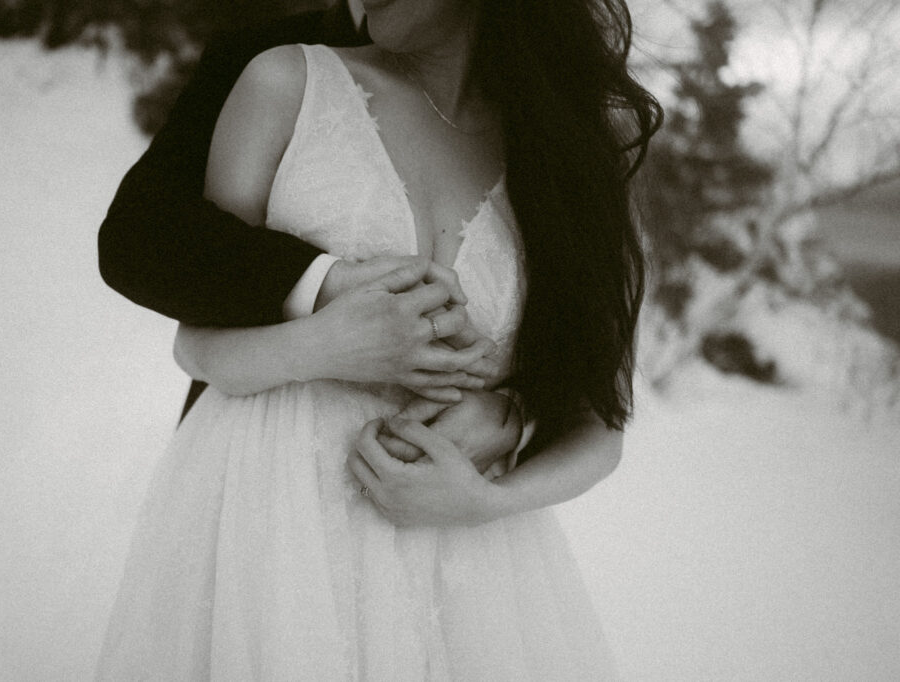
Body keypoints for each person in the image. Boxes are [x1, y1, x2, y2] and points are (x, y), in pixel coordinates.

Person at [97, 0, 661, 679]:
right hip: (269, 531)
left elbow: (601, 414)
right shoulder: (282, 80)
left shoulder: (578, 147)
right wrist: (328, 341)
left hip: (458, 557)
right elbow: (194, 339)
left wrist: (492, 482)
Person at [98, 0, 528, 474]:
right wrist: (325, 286)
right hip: (257, 472)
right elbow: (138, 240)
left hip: (452, 506)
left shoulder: (559, 124)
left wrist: (518, 417)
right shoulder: (269, 62)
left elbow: (590, 373)